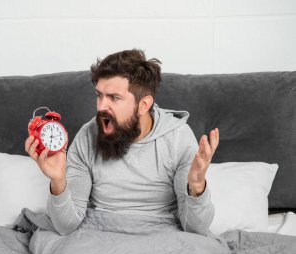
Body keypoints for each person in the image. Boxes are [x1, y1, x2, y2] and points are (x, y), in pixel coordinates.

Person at [24, 49, 219, 236]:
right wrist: (58, 181)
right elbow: (65, 227)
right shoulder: (87, 136)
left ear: (143, 104)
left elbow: (195, 230)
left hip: (161, 233)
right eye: (99, 95)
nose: (101, 107)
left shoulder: (178, 138)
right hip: (99, 233)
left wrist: (196, 186)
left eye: (114, 98)